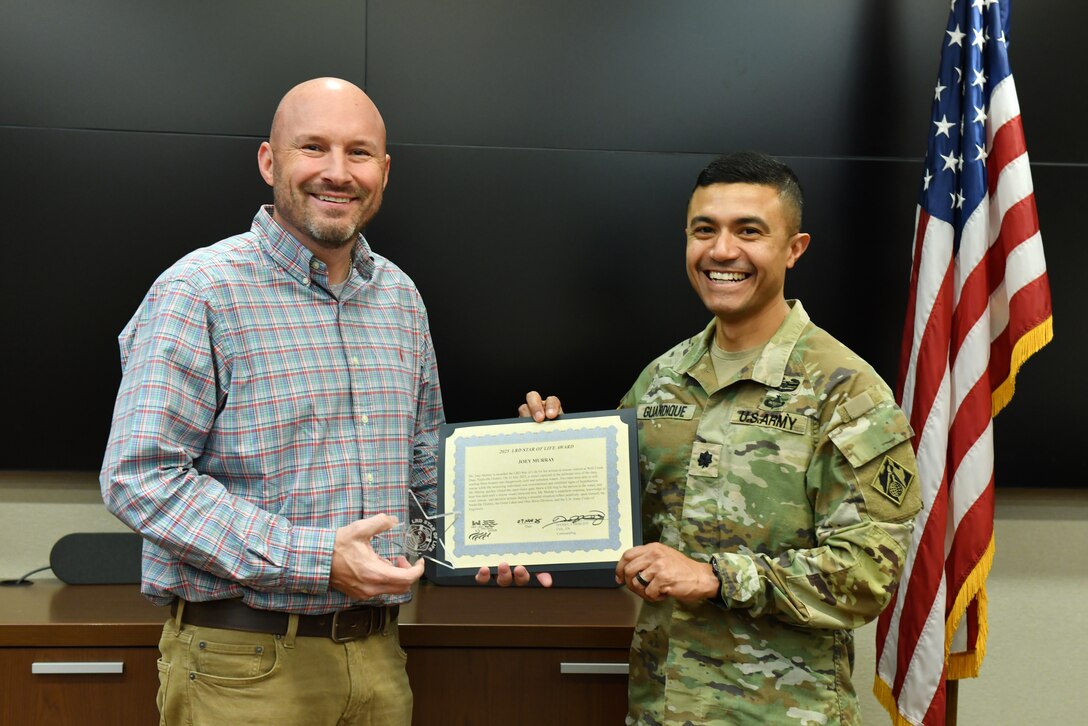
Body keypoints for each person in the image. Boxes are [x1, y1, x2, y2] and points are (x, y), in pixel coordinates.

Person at [499, 152, 922, 725]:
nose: (722, 251)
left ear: (794, 248)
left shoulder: (845, 391)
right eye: (705, 230)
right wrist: (543, 467)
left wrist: (714, 577)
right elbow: (614, 530)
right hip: (661, 707)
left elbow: (870, 572)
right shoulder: (661, 379)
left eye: (749, 231)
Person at [100, 78, 443, 725]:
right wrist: (316, 561)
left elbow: (424, 465)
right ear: (269, 161)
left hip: (378, 662)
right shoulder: (200, 291)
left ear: (385, 170)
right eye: (313, 147)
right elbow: (139, 476)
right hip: (241, 667)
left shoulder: (401, 298)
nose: (337, 173)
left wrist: (490, 541)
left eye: (359, 153)